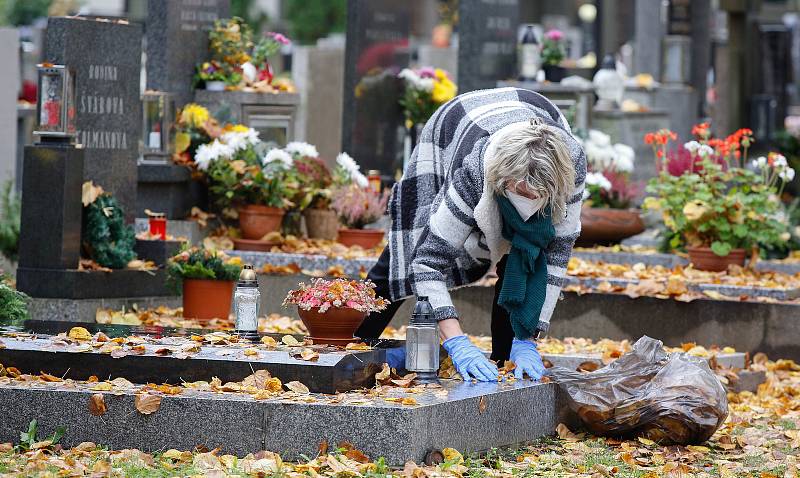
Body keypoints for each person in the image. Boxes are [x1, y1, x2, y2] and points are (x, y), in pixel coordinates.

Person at [356, 87, 586, 382]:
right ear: (503, 180)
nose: (527, 200)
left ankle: (505, 362)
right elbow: (427, 262)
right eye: (520, 191)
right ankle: (352, 345)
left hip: (535, 116)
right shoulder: (476, 169)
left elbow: (556, 254)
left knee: (523, 257)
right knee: (405, 255)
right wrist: (456, 343)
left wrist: (529, 337)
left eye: (536, 195)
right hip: (457, 125)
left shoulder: (572, 165)